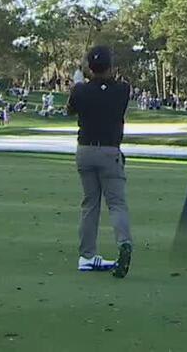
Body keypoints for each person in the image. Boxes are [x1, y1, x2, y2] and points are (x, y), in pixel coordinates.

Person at [67, 45, 132, 278]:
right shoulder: (123, 89)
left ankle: (86, 256)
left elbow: (69, 110)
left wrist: (77, 84)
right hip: (109, 151)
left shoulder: (80, 91)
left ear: (89, 67)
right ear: (110, 67)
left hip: (84, 151)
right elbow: (112, 90)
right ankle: (123, 242)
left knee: (90, 204)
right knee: (116, 203)